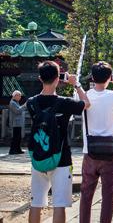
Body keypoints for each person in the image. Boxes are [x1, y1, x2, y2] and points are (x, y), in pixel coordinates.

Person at [28, 61, 90, 223]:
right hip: (61, 159)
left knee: (35, 203)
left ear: (40, 79)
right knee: (59, 205)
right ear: (58, 79)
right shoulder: (65, 103)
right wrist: (76, 84)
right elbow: (87, 103)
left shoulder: (31, 103)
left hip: (39, 157)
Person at [80, 62, 113, 223]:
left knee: (86, 194)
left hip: (90, 150)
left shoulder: (84, 95)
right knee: (108, 196)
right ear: (110, 77)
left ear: (92, 77)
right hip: (109, 150)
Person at [8, 90, 25, 155]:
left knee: (18, 137)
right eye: (19, 95)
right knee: (15, 137)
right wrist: (24, 106)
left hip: (18, 123)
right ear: (15, 96)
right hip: (15, 123)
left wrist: (22, 107)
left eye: (20, 95)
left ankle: (18, 149)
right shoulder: (12, 103)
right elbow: (17, 111)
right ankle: (12, 150)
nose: (20, 97)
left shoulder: (16, 102)